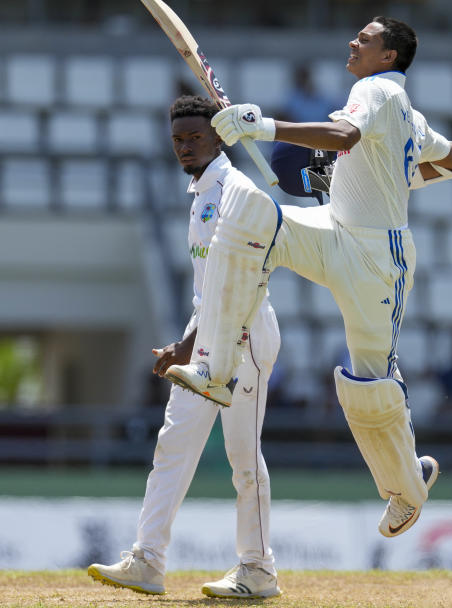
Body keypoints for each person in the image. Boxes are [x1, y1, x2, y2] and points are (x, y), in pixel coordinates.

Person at [163, 17, 452, 538]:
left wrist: (264, 127)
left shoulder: (375, 90)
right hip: (335, 229)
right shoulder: (404, 110)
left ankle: (408, 484)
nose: (353, 42)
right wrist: (348, 179)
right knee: (250, 220)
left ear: (388, 57)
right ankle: (216, 368)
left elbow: (343, 136)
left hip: (379, 261)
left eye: (366, 38)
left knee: (368, 386)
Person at [87, 96, 282, 599]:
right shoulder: (201, 192)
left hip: (245, 334)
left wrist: (185, 344)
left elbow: (233, 286)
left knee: (243, 456)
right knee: (173, 444)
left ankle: (258, 569)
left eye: (195, 137)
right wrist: (188, 344)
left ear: (219, 138)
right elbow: (207, 290)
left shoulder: (236, 192)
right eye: (177, 140)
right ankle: (148, 561)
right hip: (208, 333)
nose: (185, 147)